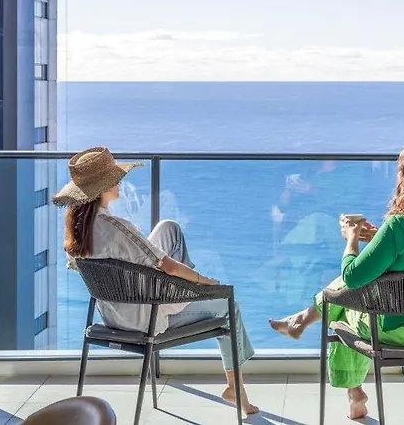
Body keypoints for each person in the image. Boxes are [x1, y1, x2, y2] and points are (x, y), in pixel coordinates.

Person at [269, 139, 404, 421]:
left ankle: (352, 390)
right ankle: (301, 323)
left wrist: (351, 238)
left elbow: (353, 276)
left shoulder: (399, 226)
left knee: (342, 304)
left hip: (398, 331)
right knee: (350, 298)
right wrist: (381, 238)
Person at [56, 147, 259, 415]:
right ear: (102, 188)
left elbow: (131, 261)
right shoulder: (117, 228)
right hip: (146, 317)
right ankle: (236, 388)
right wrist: (205, 282)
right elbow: (169, 267)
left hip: (114, 314)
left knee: (168, 228)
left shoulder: (78, 233)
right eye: (114, 179)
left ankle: (188, 291)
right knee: (229, 307)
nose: (119, 182)